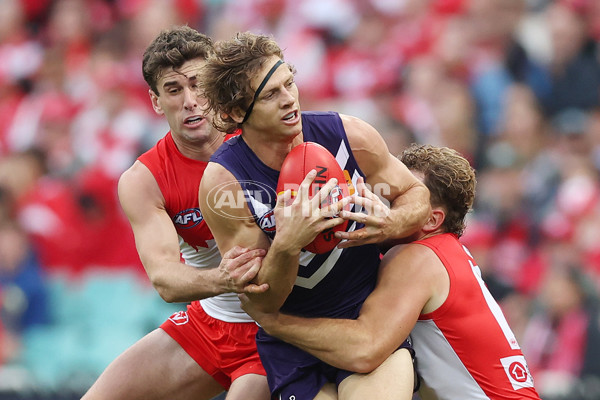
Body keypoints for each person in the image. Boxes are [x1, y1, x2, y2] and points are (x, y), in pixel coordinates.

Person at [198, 32, 431, 399]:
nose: (290, 99)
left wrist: (392, 222)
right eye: (271, 94)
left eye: (289, 82)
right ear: (236, 113)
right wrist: (288, 244)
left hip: (366, 318)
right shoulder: (223, 183)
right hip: (293, 343)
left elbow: (416, 195)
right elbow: (262, 301)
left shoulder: (347, 134)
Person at [241, 144, 543, 400]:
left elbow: (365, 349)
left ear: (431, 220)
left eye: (402, 197)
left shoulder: (417, 256)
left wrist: (273, 321)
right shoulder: (444, 252)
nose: (381, 200)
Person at [82, 26, 270, 400]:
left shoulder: (263, 137)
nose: (190, 101)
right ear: (155, 101)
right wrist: (227, 278)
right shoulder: (144, 179)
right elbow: (165, 278)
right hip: (213, 321)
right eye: (174, 89)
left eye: (198, 84)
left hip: (278, 327)